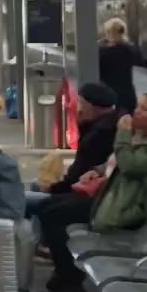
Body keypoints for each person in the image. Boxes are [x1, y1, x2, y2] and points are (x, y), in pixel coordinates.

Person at [36, 92, 147, 292]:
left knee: (55, 215)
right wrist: (97, 171)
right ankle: (66, 273)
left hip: (126, 212)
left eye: (145, 109)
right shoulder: (146, 139)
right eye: (138, 107)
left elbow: (130, 165)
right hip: (114, 199)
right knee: (47, 207)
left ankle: (70, 281)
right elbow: (120, 162)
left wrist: (123, 134)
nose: (136, 111)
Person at [24, 83, 119, 243]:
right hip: (83, 189)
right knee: (34, 187)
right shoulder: (104, 126)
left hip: (84, 194)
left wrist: (53, 188)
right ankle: (43, 242)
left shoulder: (99, 135)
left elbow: (79, 174)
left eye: (80, 104)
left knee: (21, 200)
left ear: (91, 106)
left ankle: (44, 243)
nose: (78, 109)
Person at [98, 18, 141, 117]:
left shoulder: (102, 52)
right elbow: (139, 59)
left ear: (108, 33)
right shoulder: (130, 50)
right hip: (128, 95)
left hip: (108, 95)